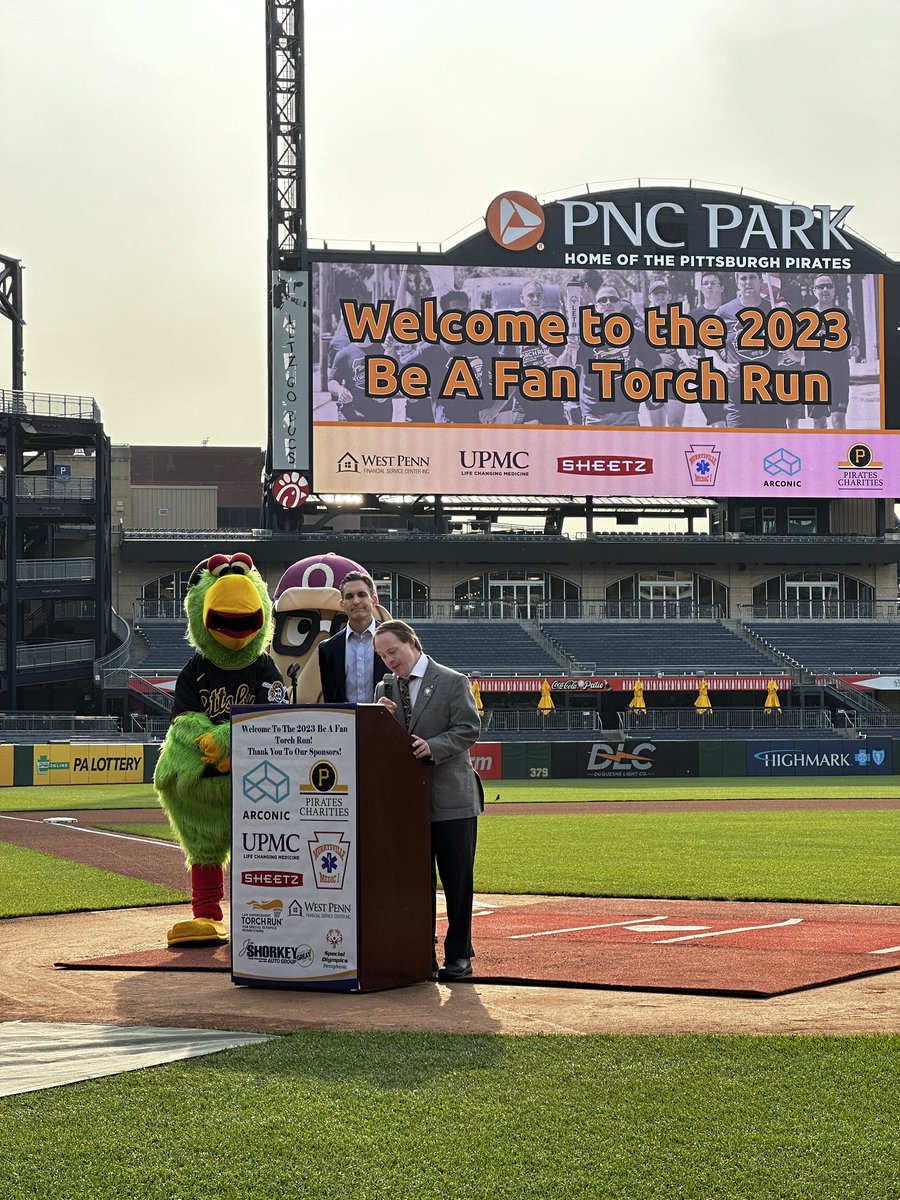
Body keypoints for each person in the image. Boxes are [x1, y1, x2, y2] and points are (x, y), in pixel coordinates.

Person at [373, 619, 483, 981]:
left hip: (452, 800)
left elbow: (469, 728)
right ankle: (420, 952)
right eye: (382, 655)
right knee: (414, 885)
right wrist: (381, 720)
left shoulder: (452, 681)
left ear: (412, 644)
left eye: (393, 651)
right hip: (409, 805)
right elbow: (385, 745)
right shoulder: (385, 688)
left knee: (456, 882)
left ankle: (459, 955)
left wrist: (433, 747)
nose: (389, 660)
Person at [716, 270, 789, 429]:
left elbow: (789, 352)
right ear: (737, 282)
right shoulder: (723, 312)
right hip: (737, 396)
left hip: (770, 395)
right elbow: (710, 349)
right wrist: (722, 366)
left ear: (761, 280)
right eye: (743, 278)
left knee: (773, 448)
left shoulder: (774, 311)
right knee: (738, 448)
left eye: (752, 277)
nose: (747, 282)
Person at [318, 570, 389, 703]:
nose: (356, 601)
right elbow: (330, 698)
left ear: (373, 600)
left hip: (385, 721)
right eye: (349, 596)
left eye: (362, 594)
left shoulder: (393, 640)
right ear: (342, 604)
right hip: (344, 722)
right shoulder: (328, 648)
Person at [803, 274, 860, 430]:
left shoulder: (844, 312)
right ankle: (821, 453)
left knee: (838, 419)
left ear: (834, 289)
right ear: (814, 291)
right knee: (819, 422)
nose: (825, 290)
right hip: (814, 375)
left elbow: (855, 335)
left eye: (828, 286)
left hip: (839, 373)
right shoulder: (806, 315)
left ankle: (840, 450)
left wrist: (854, 346)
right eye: (820, 287)